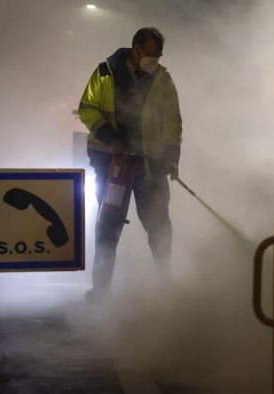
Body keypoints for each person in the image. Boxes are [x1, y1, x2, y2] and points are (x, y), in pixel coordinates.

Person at [78, 27, 182, 300]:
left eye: (158, 55)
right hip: (114, 168)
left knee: (159, 227)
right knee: (108, 229)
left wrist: (172, 157)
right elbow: (87, 108)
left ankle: (165, 287)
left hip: (151, 168)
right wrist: (111, 140)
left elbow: (173, 121)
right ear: (136, 49)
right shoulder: (105, 74)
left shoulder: (163, 80)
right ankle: (101, 292)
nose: (155, 60)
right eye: (150, 54)